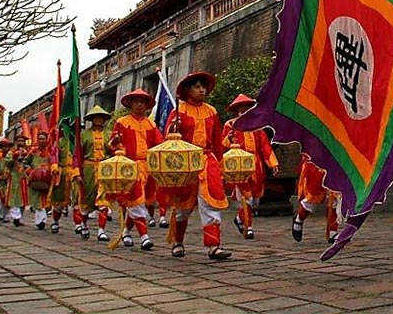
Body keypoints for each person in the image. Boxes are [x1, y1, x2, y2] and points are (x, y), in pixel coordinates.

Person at [163, 71, 232, 260]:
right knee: (183, 207)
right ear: (188, 89)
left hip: (208, 161)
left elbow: (217, 140)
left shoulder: (211, 111)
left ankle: (213, 246)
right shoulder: (178, 111)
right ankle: (178, 242)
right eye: (197, 86)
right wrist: (173, 130)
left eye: (203, 86)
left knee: (211, 203)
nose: (201, 90)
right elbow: (167, 141)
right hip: (185, 163)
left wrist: (220, 165)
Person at [109, 89, 163, 251]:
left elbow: (159, 144)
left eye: (142, 102)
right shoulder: (122, 122)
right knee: (137, 201)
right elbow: (112, 144)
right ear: (130, 104)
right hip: (130, 167)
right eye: (136, 101)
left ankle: (126, 231)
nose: (139, 105)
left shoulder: (151, 124)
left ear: (147, 105)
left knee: (139, 202)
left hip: (147, 167)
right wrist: (116, 142)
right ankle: (144, 236)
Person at [222, 94, 279, 240]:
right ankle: (249, 226)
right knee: (245, 196)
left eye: (247, 109)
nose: (244, 112)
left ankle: (240, 219)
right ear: (237, 111)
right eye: (242, 109)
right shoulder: (230, 125)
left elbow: (265, 146)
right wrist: (229, 139)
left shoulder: (257, 126)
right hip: (239, 165)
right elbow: (223, 145)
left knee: (254, 199)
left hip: (256, 165)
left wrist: (273, 163)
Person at [77, 105, 112, 241]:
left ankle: (101, 230)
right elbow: (78, 155)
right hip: (88, 169)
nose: (98, 119)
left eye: (100, 117)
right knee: (87, 198)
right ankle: (84, 224)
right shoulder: (84, 134)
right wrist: (77, 173)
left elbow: (113, 151)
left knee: (104, 200)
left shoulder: (109, 134)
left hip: (104, 168)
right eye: (95, 117)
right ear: (91, 119)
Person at [291, 155, 342, 244]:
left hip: (335, 161)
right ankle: (299, 218)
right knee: (312, 200)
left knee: (335, 198)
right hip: (315, 164)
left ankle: (332, 231)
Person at [25, 130, 55, 230]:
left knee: (48, 200)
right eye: (39, 139)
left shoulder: (51, 151)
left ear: (47, 140)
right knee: (38, 200)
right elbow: (25, 162)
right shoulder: (33, 152)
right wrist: (30, 171)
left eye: (43, 138)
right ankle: (40, 221)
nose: (41, 140)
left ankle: (43, 218)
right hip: (35, 179)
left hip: (48, 178)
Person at [4, 133, 31, 226]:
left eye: (22, 141)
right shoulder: (11, 152)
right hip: (14, 178)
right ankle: (16, 217)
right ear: (15, 142)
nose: (20, 143)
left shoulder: (28, 151)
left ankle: (20, 217)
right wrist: (13, 158)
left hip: (24, 177)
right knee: (14, 197)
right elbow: (7, 163)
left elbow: (32, 162)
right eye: (19, 141)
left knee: (24, 198)